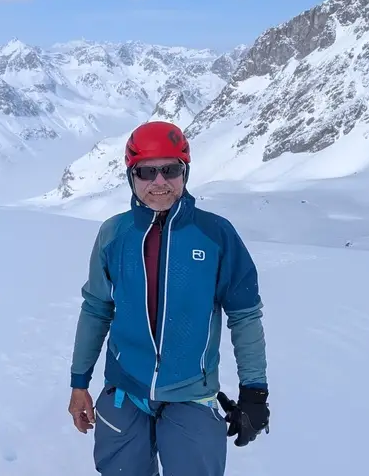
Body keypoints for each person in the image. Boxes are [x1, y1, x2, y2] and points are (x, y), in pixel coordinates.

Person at [67, 120, 270, 476]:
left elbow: (245, 315)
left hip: (192, 395)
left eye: (170, 170)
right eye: (146, 171)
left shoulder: (215, 235)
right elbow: (97, 309)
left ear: (185, 173)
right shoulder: (114, 234)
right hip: (124, 392)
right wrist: (79, 383)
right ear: (131, 176)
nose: (159, 182)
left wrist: (254, 392)